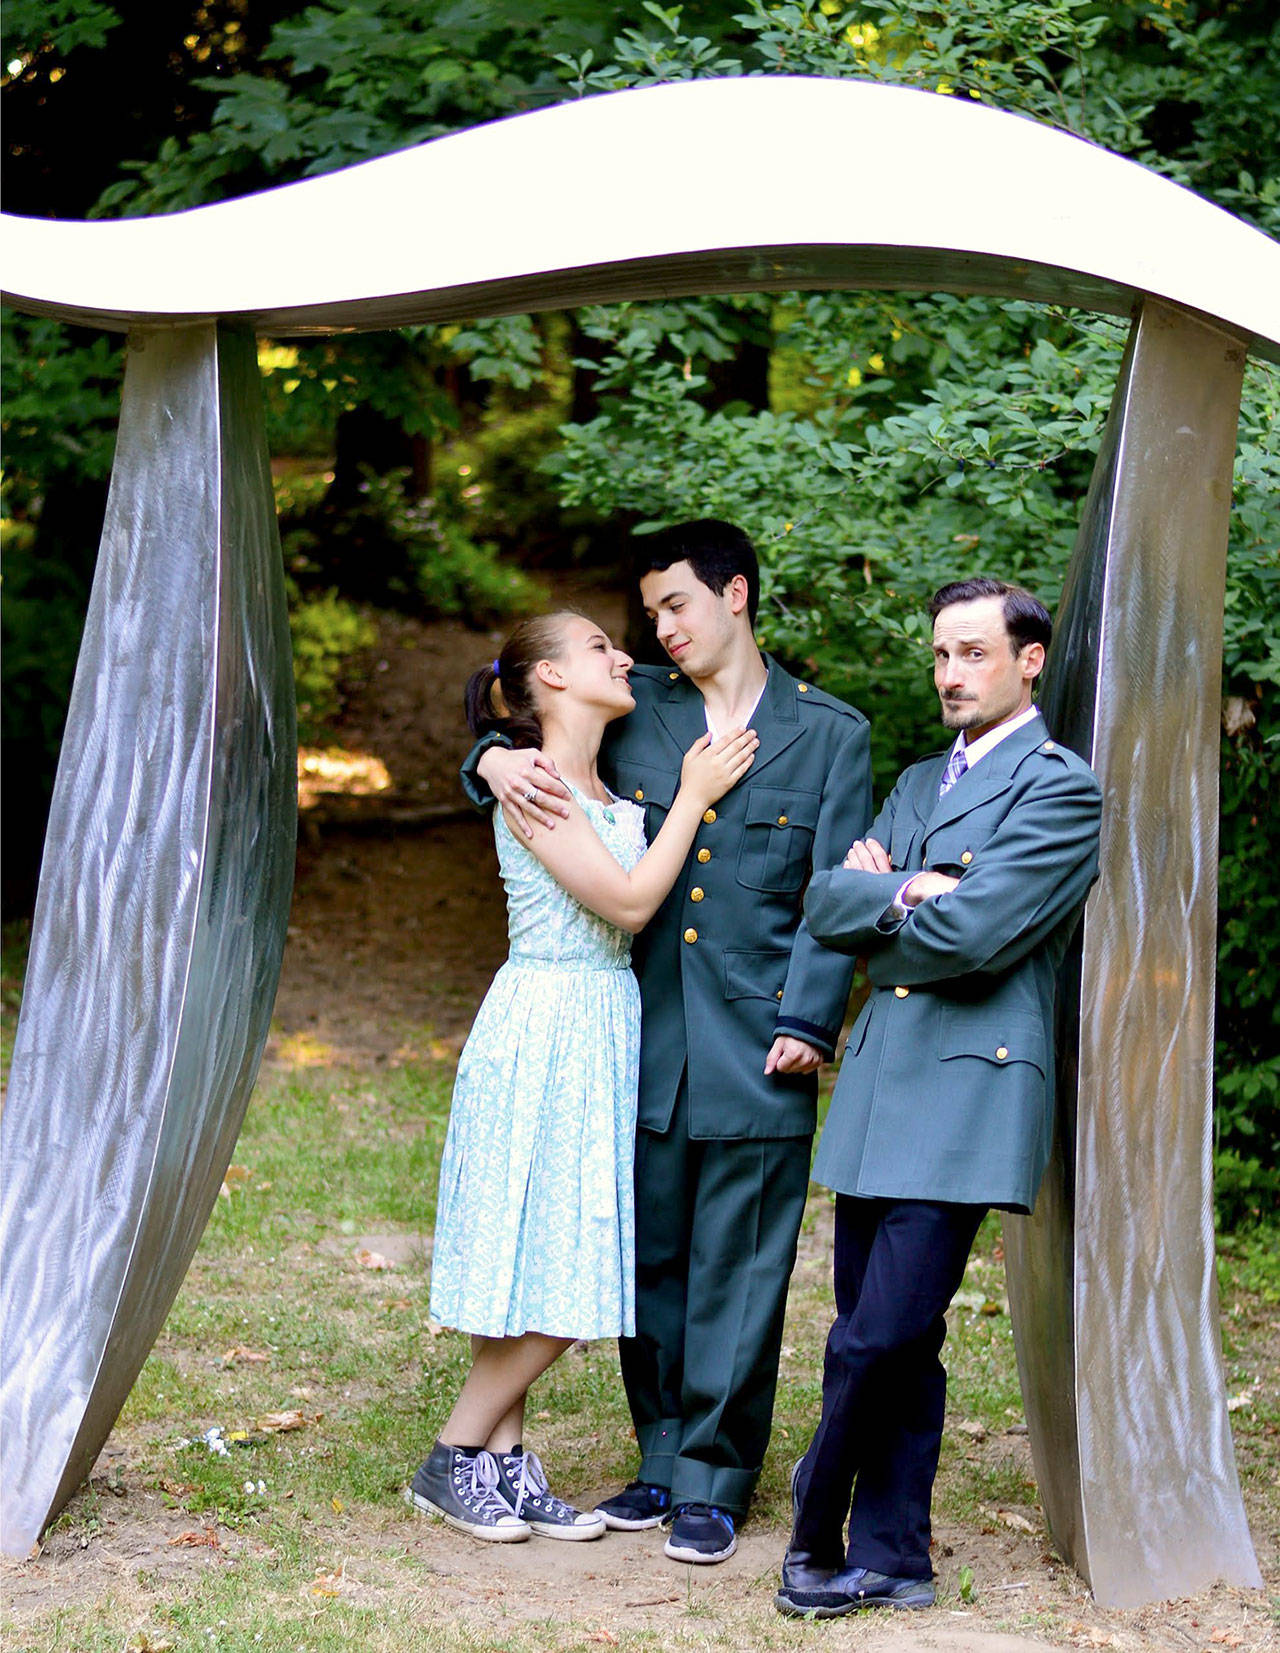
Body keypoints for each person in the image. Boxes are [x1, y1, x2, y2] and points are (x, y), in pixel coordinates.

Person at [465, 521, 871, 1563]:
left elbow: (834, 894)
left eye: (675, 606)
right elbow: (530, 718)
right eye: (646, 614)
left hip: (755, 1038)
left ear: (734, 596)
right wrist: (488, 760)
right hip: (636, 1034)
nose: (658, 630)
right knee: (648, 1257)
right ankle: (657, 1461)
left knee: (740, 1264)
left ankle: (714, 1476)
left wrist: (807, 1023)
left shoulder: (829, 735)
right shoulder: (634, 708)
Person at [774, 577, 1103, 1617]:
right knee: (891, 1340)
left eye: (970, 653)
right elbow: (828, 899)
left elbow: (977, 939)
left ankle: (813, 1530)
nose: (950, 674)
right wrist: (914, 887)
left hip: (967, 1094)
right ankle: (896, 1556)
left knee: (874, 1336)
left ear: (1028, 661)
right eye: (939, 656)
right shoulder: (920, 780)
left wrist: (888, 890)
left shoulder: (1059, 788)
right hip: (880, 1084)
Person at [408, 611, 758, 1544]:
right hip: (548, 1022)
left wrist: (484, 749)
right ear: (552, 678)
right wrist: (692, 797)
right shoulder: (537, 785)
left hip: (600, 1022)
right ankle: (453, 1454)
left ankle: (503, 1466)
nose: (625, 656)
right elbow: (633, 901)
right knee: (563, 1268)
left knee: (540, 1248)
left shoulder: (587, 773)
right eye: (602, 647)